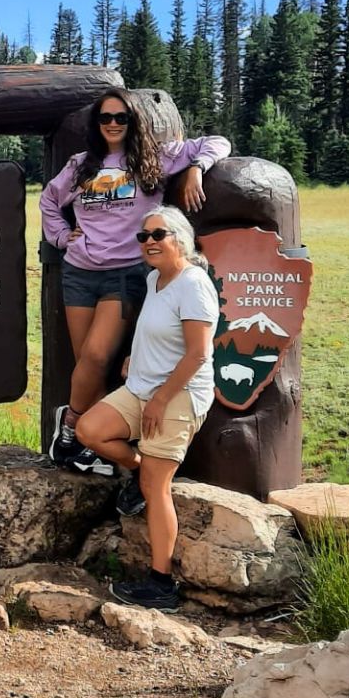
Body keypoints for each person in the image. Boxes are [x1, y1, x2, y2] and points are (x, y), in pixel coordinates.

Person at [37, 88, 228, 470]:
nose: (112, 124)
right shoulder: (81, 165)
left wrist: (196, 168)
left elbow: (217, 142)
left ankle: (71, 424)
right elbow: (48, 201)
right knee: (88, 363)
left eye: (120, 117)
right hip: (79, 272)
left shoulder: (155, 158)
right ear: (96, 124)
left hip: (124, 273)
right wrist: (61, 237)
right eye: (105, 118)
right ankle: (93, 446)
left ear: (133, 121)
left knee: (97, 355)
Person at [73, 206, 218, 610]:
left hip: (178, 395)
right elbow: (157, 332)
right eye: (143, 236)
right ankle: (139, 467)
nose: (149, 242)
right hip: (141, 387)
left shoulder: (193, 284)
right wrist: (135, 358)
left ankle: (161, 583)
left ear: (181, 239)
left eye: (158, 234)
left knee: (157, 488)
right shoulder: (156, 279)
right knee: (89, 430)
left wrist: (161, 399)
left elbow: (198, 354)